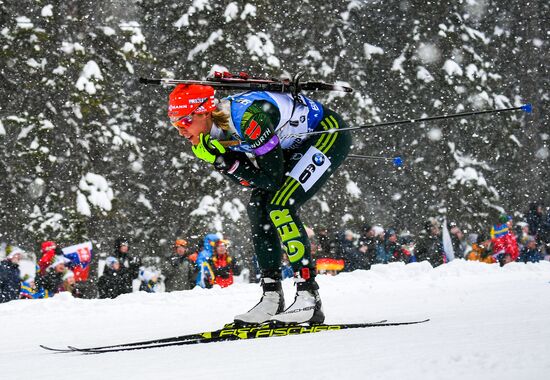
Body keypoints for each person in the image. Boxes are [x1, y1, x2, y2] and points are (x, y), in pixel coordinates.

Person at [168, 81, 351, 325]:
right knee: (258, 208)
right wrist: (221, 159)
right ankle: (272, 296)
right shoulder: (212, 133)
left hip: (326, 134)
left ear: (204, 112)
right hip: (292, 145)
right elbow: (252, 180)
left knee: (280, 204)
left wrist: (221, 160)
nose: (180, 130)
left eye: (185, 121)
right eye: (174, 123)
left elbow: (270, 178)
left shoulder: (248, 120)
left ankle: (309, 296)